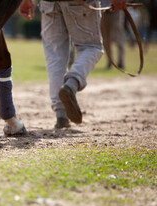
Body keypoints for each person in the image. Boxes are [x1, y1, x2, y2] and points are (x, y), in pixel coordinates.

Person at [19, 0, 126, 129]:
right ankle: (71, 84)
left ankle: (61, 114)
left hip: (48, 3)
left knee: (55, 55)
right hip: (79, 2)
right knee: (92, 47)